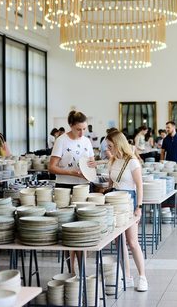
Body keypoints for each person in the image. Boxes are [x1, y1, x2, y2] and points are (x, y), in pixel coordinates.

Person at [48, 111, 96, 274]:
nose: (82, 132)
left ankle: (81, 268)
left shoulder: (87, 142)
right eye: (78, 129)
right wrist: (71, 172)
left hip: (83, 186)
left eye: (84, 129)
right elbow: (52, 167)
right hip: (64, 186)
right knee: (67, 226)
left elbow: (91, 164)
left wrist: (91, 168)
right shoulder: (61, 140)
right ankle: (71, 269)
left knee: (82, 225)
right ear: (71, 126)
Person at [106, 130, 148, 292]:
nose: (108, 149)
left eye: (110, 146)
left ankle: (142, 277)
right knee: (119, 243)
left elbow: (139, 186)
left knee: (132, 241)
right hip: (114, 202)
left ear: (118, 144)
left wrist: (139, 207)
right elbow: (111, 184)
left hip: (129, 202)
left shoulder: (132, 162)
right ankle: (128, 277)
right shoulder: (113, 160)